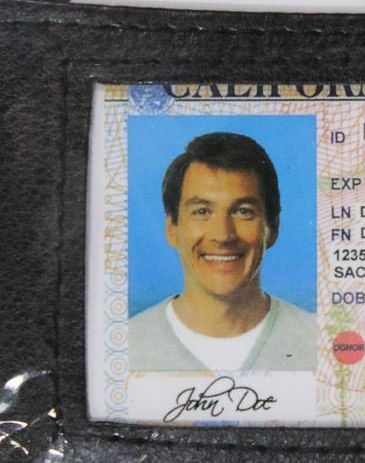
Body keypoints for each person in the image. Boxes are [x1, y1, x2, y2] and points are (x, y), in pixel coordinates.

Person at [128, 132, 316, 372]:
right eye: (202, 212)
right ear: (172, 228)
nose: (223, 235)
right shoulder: (124, 347)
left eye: (243, 211)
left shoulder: (319, 342)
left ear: (272, 228)